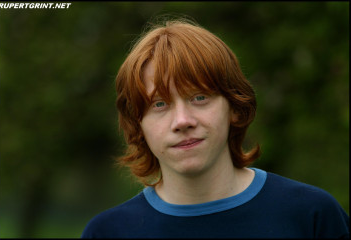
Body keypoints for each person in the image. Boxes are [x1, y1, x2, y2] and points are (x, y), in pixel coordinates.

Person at [81, 18, 349, 238]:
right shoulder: (108, 233)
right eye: (159, 104)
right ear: (138, 124)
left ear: (234, 106)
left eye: (199, 98)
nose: (183, 120)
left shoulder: (312, 216)